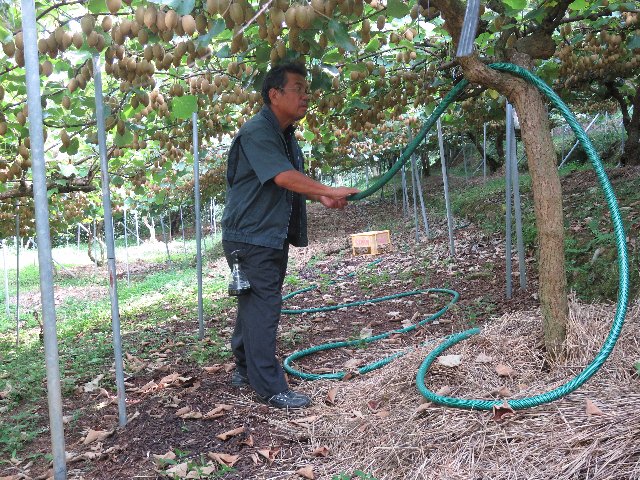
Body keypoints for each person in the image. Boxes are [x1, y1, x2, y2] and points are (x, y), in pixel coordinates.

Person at [221, 61, 359, 409]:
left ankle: (243, 366)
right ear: (274, 94)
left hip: (264, 232)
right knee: (263, 307)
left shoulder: (284, 135)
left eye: (306, 89)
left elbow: (290, 181)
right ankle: (268, 386)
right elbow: (282, 177)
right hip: (251, 235)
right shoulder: (257, 132)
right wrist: (326, 187)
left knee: (253, 302)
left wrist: (321, 195)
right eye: (298, 88)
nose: (306, 96)